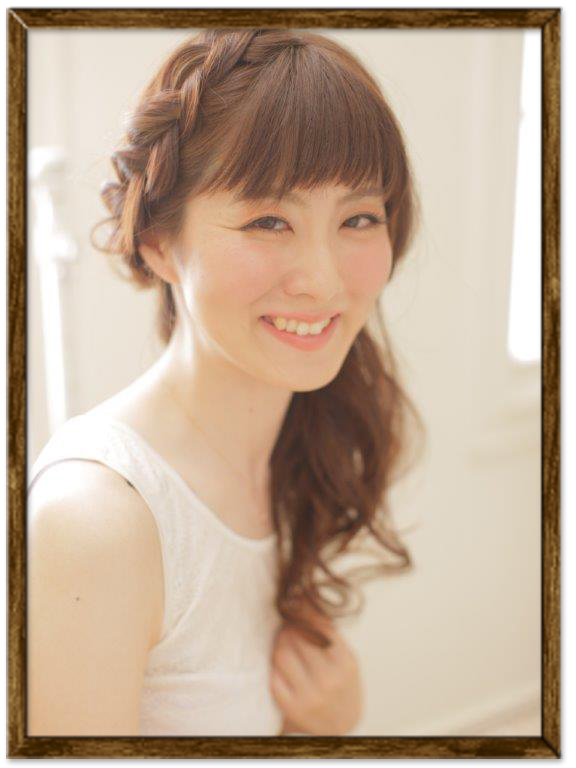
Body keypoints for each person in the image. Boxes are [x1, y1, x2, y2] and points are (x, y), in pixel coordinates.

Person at [27, 28, 423, 737]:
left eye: (359, 218)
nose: (323, 279)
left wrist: (324, 725)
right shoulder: (96, 520)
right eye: (269, 220)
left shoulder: (292, 455)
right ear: (158, 241)